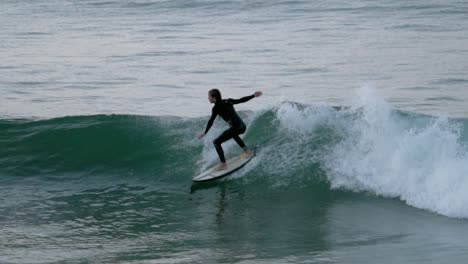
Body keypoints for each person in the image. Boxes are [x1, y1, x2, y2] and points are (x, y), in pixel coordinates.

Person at [199, 89, 263, 170]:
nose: (208, 98)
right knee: (233, 134)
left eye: (209, 96)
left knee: (216, 142)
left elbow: (211, 121)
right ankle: (247, 151)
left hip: (236, 128)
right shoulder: (228, 101)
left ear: (213, 97)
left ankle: (223, 164)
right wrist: (253, 95)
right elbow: (241, 100)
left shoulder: (216, 108)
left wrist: (205, 133)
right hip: (242, 126)